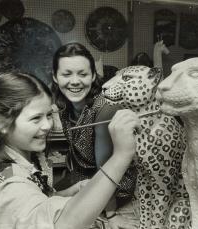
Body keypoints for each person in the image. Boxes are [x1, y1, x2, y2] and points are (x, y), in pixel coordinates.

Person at [0, 72, 140, 229]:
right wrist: (121, 155)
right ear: (1, 124)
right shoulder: (12, 185)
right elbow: (65, 223)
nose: (47, 125)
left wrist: (72, 191)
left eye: (48, 115)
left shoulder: (17, 165)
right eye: (36, 118)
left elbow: (40, 202)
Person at [51, 42, 138, 228]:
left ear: (92, 77)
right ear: (55, 77)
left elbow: (105, 167)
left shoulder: (104, 109)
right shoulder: (64, 106)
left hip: (112, 189)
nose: (75, 81)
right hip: (82, 180)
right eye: (67, 74)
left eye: (82, 74)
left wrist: (112, 215)